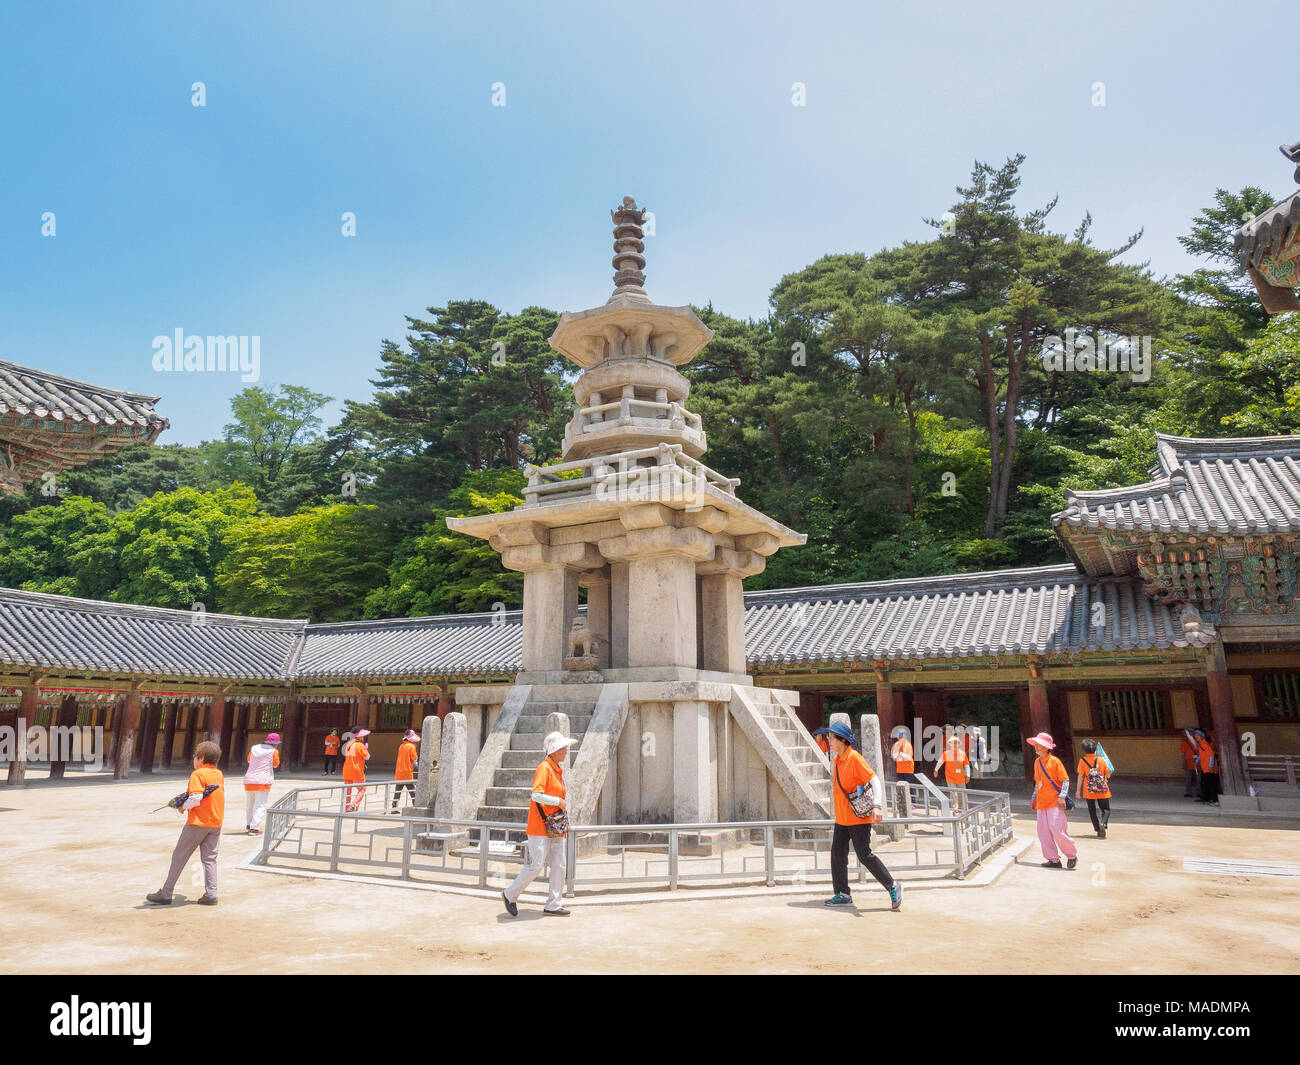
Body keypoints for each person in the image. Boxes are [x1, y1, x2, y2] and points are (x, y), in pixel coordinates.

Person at [824, 721, 902, 911]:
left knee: (864, 854)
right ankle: (842, 893)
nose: (829, 740)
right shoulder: (836, 760)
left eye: (832, 737)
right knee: (837, 854)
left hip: (858, 818)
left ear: (843, 740)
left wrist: (877, 805)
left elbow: (874, 780)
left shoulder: (854, 758)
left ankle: (892, 885)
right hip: (842, 818)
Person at [502, 731, 577, 918]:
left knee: (559, 863)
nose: (566, 751)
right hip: (540, 825)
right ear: (555, 750)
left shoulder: (556, 770)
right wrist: (557, 802)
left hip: (555, 825)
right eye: (563, 749)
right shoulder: (544, 768)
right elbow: (536, 795)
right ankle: (510, 894)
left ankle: (554, 903)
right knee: (536, 864)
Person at [146, 741, 224, 906]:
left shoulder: (198, 774)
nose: (194, 760)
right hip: (215, 822)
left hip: (197, 823)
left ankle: (166, 893)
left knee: (179, 856)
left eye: (195, 757)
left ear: (201, 758)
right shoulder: (218, 774)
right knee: (210, 859)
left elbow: (196, 798)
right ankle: (211, 894)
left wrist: (182, 806)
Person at [1028, 732, 1077, 869]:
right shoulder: (1037, 762)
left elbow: (1065, 780)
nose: (1037, 747)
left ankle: (1071, 855)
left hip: (1055, 802)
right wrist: (1034, 797)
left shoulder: (1055, 762)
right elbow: (1038, 783)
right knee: (1043, 832)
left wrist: (1061, 797)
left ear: (1046, 747)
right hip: (1041, 803)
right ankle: (1053, 859)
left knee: (1057, 829)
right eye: (1036, 745)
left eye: (1040, 745)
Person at [243, 732, 282, 835]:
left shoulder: (254, 748)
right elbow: (276, 765)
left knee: (250, 804)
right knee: (260, 805)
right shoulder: (274, 751)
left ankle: (249, 824)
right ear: (275, 743)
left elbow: (248, 760)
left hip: (249, 780)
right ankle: (254, 828)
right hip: (263, 781)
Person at [1076, 738, 1112, 839]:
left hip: (1089, 790)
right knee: (1106, 810)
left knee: (1092, 810)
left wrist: (1078, 791)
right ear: (1095, 748)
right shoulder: (1101, 760)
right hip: (1102, 789)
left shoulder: (1082, 761)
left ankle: (1097, 829)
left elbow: (1080, 776)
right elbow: (1108, 775)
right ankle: (1103, 823)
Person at [935, 733, 970, 807]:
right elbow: (940, 762)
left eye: (956, 743)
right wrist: (936, 770)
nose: (954, 745)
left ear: (958, 744)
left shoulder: (963, 754)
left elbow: (966, 765)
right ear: (950, 744)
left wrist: (968, 775)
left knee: (962, 794)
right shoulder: (946, 753)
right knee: (954, 794)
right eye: (952, 743)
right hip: (950, 777)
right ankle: (955, 808)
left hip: (961, 778)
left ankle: (962, 808)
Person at [342, 728, 370, 812]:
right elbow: (367, 757)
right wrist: (366, 749)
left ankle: (346, 807)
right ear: (360, 736)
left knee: (348, 790)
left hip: (347, 770)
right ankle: (353, 805)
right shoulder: (360, 745)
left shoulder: (348, 744)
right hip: (357, 771)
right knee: (362, 789)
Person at [392, 729, 419, 813]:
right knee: (412, 790)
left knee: (398, 790)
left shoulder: (401, 746)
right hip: (407, 772)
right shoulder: (411, 747)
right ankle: (416, 805)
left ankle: (394, 807)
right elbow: (414, 759)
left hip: (399, 772)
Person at [1197, 730, 1220, 807]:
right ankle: (1211, 799)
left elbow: (1211, 755)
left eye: (1198, 735)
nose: (1196, 736)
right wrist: (1198, 758)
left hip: (1209, 768)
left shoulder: (1204, 744)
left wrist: (1211, 765)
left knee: (1212, 785)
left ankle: (1215, 800)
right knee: (1208, 784)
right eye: (1195, 735)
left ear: (1202, 736)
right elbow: (1204, 755)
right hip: (1205, 768)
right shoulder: (1201, 744)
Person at [1180, 729, 1199, 797]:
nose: (1184, 735)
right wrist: (1183, 762)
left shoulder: (1196, 742)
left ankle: (1198, 792)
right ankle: (1189, 792)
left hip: (1197, 762)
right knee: (1188, 778)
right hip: (1188, 762)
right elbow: (1183, 753)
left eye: (1185, 733)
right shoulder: (1184, 742)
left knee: (1198, 778)